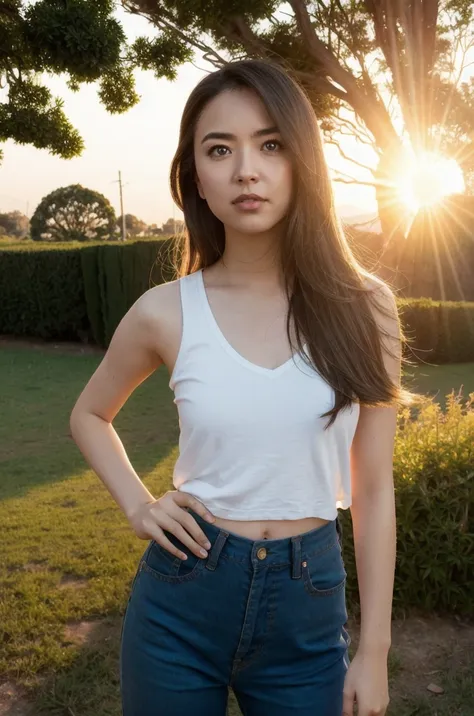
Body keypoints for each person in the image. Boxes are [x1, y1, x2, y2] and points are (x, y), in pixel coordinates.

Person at [70, 58, 415, 716]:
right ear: (195, 176)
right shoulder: (164, 311)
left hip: (307, 604)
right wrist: (140, 506)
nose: (246, 170)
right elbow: (90, 414)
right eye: (219, 149)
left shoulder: (366, 307)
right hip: (181, 599)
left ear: (301, 162)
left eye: (270, 144)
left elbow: (372, 488)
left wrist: (373, 652)